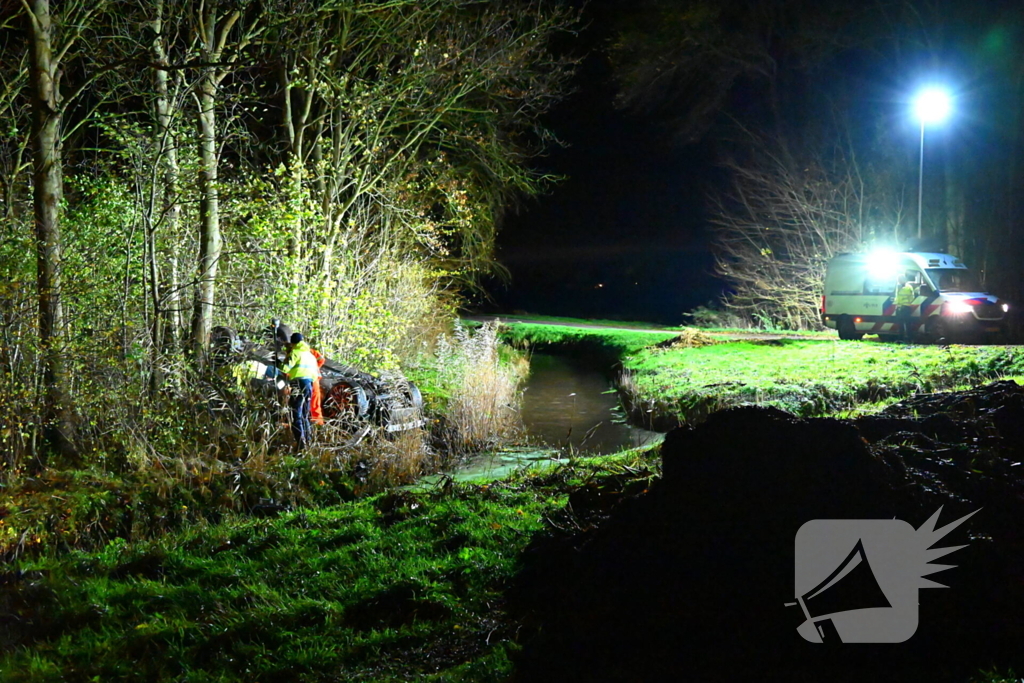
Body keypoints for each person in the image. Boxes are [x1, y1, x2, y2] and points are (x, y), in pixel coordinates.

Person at [281, 332, 319, 450]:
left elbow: (284, 368)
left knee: (295, 414)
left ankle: (300, 444)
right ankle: (308, 441)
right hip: (309, 385)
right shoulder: (310, 355)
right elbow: (315, 374)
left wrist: (280, 361)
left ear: (293, 343)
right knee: (304, 414)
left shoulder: (295, 353)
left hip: (297, 383)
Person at [894, 274, 917, 343]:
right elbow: (897, 297)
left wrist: (907, 304)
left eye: (900, 279)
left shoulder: (907, 287)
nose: (899, 281)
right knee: (900, 324)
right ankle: (901, 339)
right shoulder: (898, 286)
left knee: (907, 324)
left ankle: (909, 339)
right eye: (898, 279)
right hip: (899, 307)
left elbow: (911, 297)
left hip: (906, 307)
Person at [309, 346, 326, 426]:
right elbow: (321, 359)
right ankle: (319, 425)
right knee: (315, 405)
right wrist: (315, 368)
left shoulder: (294, 353)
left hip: (303, 379)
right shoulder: (310, 351)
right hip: (314, 378)